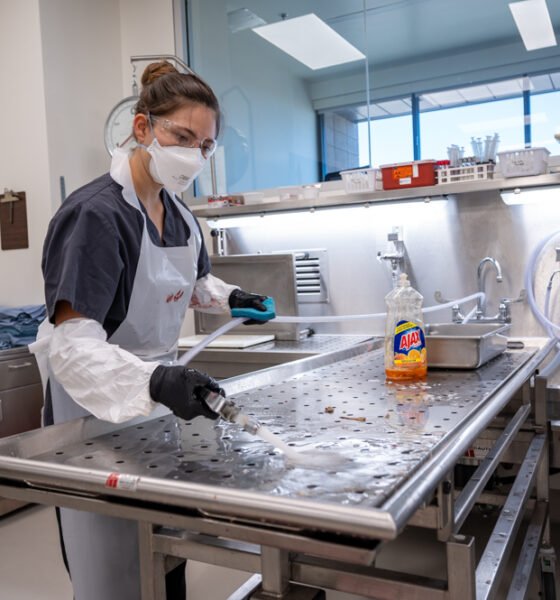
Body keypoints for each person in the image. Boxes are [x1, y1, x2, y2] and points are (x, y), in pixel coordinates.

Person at [32, 60, 274, 600]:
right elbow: (73, 348)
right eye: (181, 136)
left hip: (157, 405)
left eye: (205, 145)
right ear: (143, 128)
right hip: (92, 417)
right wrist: (152, 382)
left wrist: (232, 297)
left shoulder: (179, 213)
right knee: (112, 568)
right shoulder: (95, 215)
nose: (193, 155)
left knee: (164, 549)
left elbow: (189, 280)